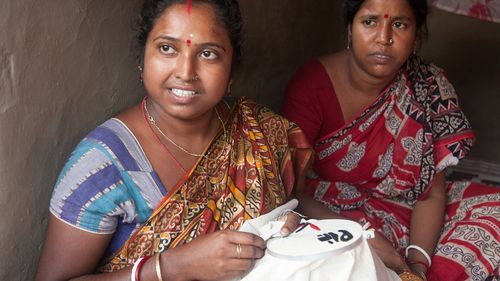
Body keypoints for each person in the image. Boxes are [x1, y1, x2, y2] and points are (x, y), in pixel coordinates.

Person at [35, 0, 311, 280]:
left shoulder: (257, 127)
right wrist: (169, 267)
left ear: (231, 71)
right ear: (142, 60)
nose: (185, 72)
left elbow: (295, 203)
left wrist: (293, 228)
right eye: (167, 48)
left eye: (208, 54)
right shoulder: (102, 166)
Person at [281, 0, 500, 280]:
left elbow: (431, 193)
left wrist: (416, 264)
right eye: (370, 22)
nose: (384, 38)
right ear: (350, 29)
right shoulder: (311, 85)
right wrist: (364, 236)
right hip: (330, 213)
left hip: (411, 209)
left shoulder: (428, 87)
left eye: (399, 24)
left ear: (416, 37)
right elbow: (291, 192)